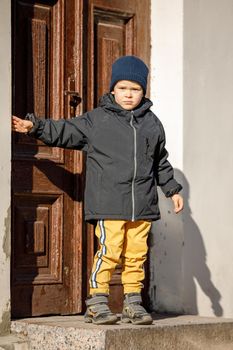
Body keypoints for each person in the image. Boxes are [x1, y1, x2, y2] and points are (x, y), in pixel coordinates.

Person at [12, 55, 184, 325]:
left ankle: (133, 302)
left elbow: (160, 161)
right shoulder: (97, 120)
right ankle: (97, 301)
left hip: (142, 204)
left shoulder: (153, 124)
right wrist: (35, 127)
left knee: (137, 254)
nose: (129, 95)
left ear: (143, 91)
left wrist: (172, 190)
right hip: (109, 202)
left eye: (135, 89)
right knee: (110, 250)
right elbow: (65, 130)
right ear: (113, 89)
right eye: (123, 88)